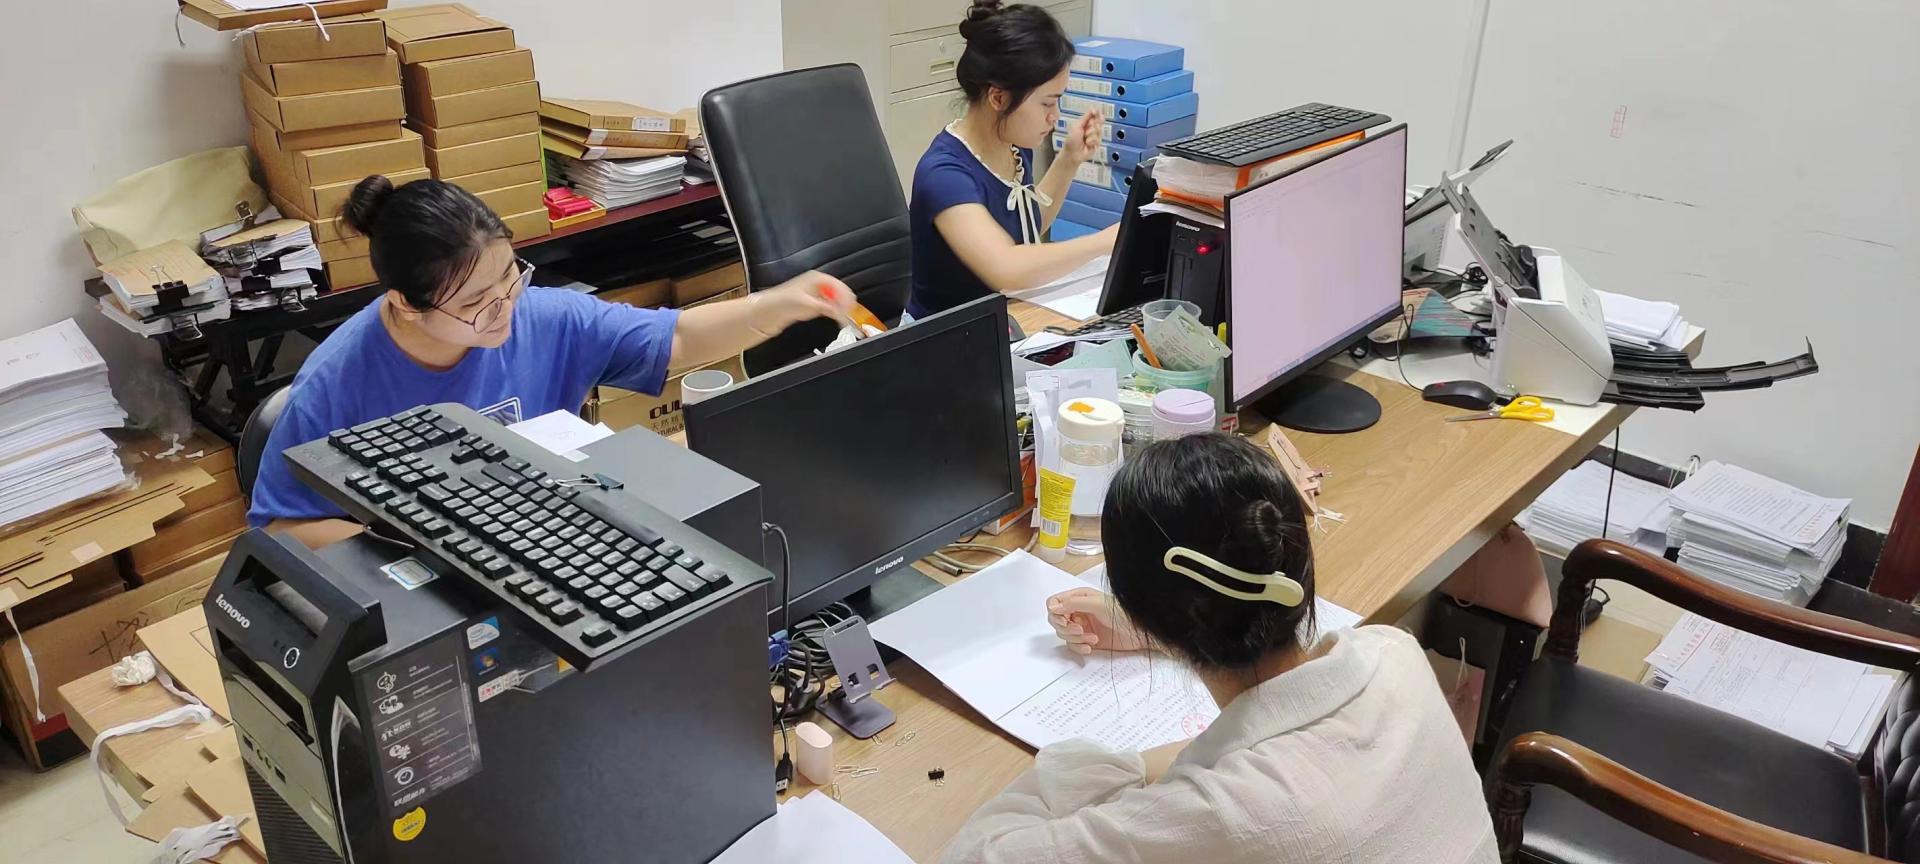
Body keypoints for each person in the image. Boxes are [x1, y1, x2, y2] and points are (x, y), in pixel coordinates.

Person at [945, 433, 1499, 864]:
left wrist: (1116, 759)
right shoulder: (1395, 654)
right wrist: (1157, 633)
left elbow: (974, 855)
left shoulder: (1220, 813)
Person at [247, 177, 853, 548]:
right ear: (406, 304)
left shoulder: (541, 316)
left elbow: (675, 338)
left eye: (510, 277)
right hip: (428, 579)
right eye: (476, 303)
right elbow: (284, 529)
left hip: (547, 545)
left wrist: (772, 308)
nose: (505, 310)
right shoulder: (338, 382)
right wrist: (424, 545)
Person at [906, 1, 1119, 320]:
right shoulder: (944, 175)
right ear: (998, 97)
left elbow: (1027, 224)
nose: (1055, 116)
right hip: (943, 337)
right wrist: (1102, 243)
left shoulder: (1014, 145)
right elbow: (1005, 267)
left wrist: (1069, 159)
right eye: (1047, 103)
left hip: (1003, 319)